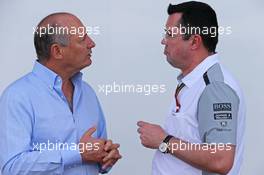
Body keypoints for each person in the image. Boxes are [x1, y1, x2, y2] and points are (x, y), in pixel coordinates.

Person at [0, 12, 121, 175]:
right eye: (82, 39)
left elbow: (97, 154)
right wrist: (77, 154)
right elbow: (12, 168)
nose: (92, 44)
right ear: (57, 51)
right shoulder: (17, 97)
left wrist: (106, 157)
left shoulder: (88, 93)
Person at [137, 1, 245, 175]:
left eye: (170, 34)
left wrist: (164, 140)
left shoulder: (214, 87)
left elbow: (221, 160)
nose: (163, 40)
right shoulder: (196, 81)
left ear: (194, 41)